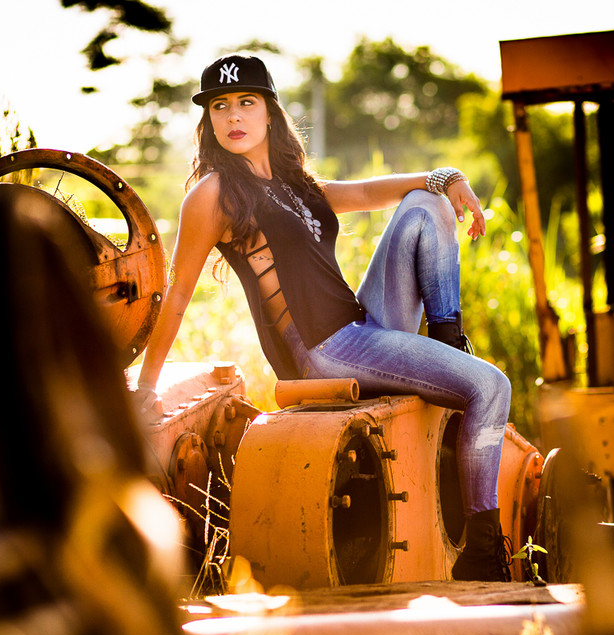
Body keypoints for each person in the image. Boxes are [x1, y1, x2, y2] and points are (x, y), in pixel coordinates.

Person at [134, 54, 513, 582]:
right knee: (491, 388)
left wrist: (447, 177)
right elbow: (176, 297)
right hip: (322, 351)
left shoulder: (296, 186)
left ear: (270, 113)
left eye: (247, 102)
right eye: (220, 107)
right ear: (209, 121)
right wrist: (147, 384)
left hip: (360, 326)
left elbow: (362, 193)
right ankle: (484, 552)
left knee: (426, 204)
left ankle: (450, 339)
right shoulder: (215, 193)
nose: (234, 116)